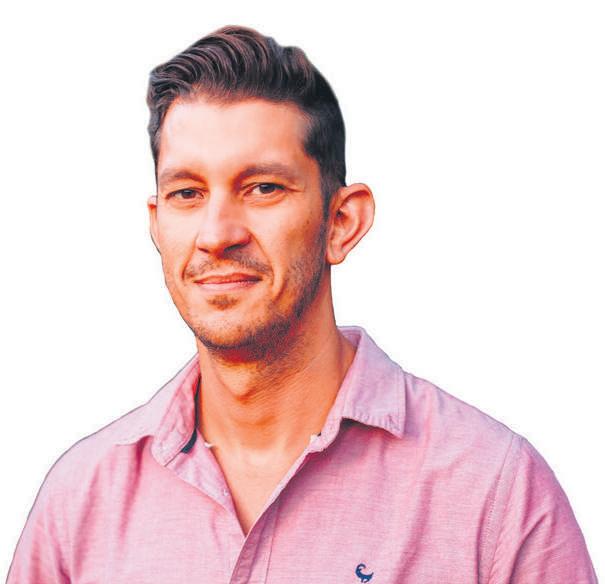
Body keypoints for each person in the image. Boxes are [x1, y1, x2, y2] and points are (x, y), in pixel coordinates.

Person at [7, 25, 597, 584]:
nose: (217, 234)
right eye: (187, 193)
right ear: (158, 226)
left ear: (341, 222)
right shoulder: (79, 503)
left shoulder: (494, 492)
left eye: (263, 188)